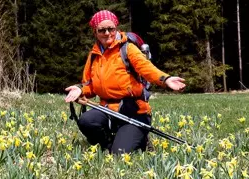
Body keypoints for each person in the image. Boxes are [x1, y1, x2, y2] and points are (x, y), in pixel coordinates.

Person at [65, 10, 186, 154]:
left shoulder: (128, 49)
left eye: (111, 29)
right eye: (102, 30)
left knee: (120, 153)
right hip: (107, 109)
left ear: (116, 28)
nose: (107, 33)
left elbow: (146, 68)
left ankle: (140, 139)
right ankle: (107, 146)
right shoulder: (94, 55)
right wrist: (80, 89)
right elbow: (90, 85)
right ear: (95, 32)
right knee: (86, 121)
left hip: (134, 111)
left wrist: (165, 79)